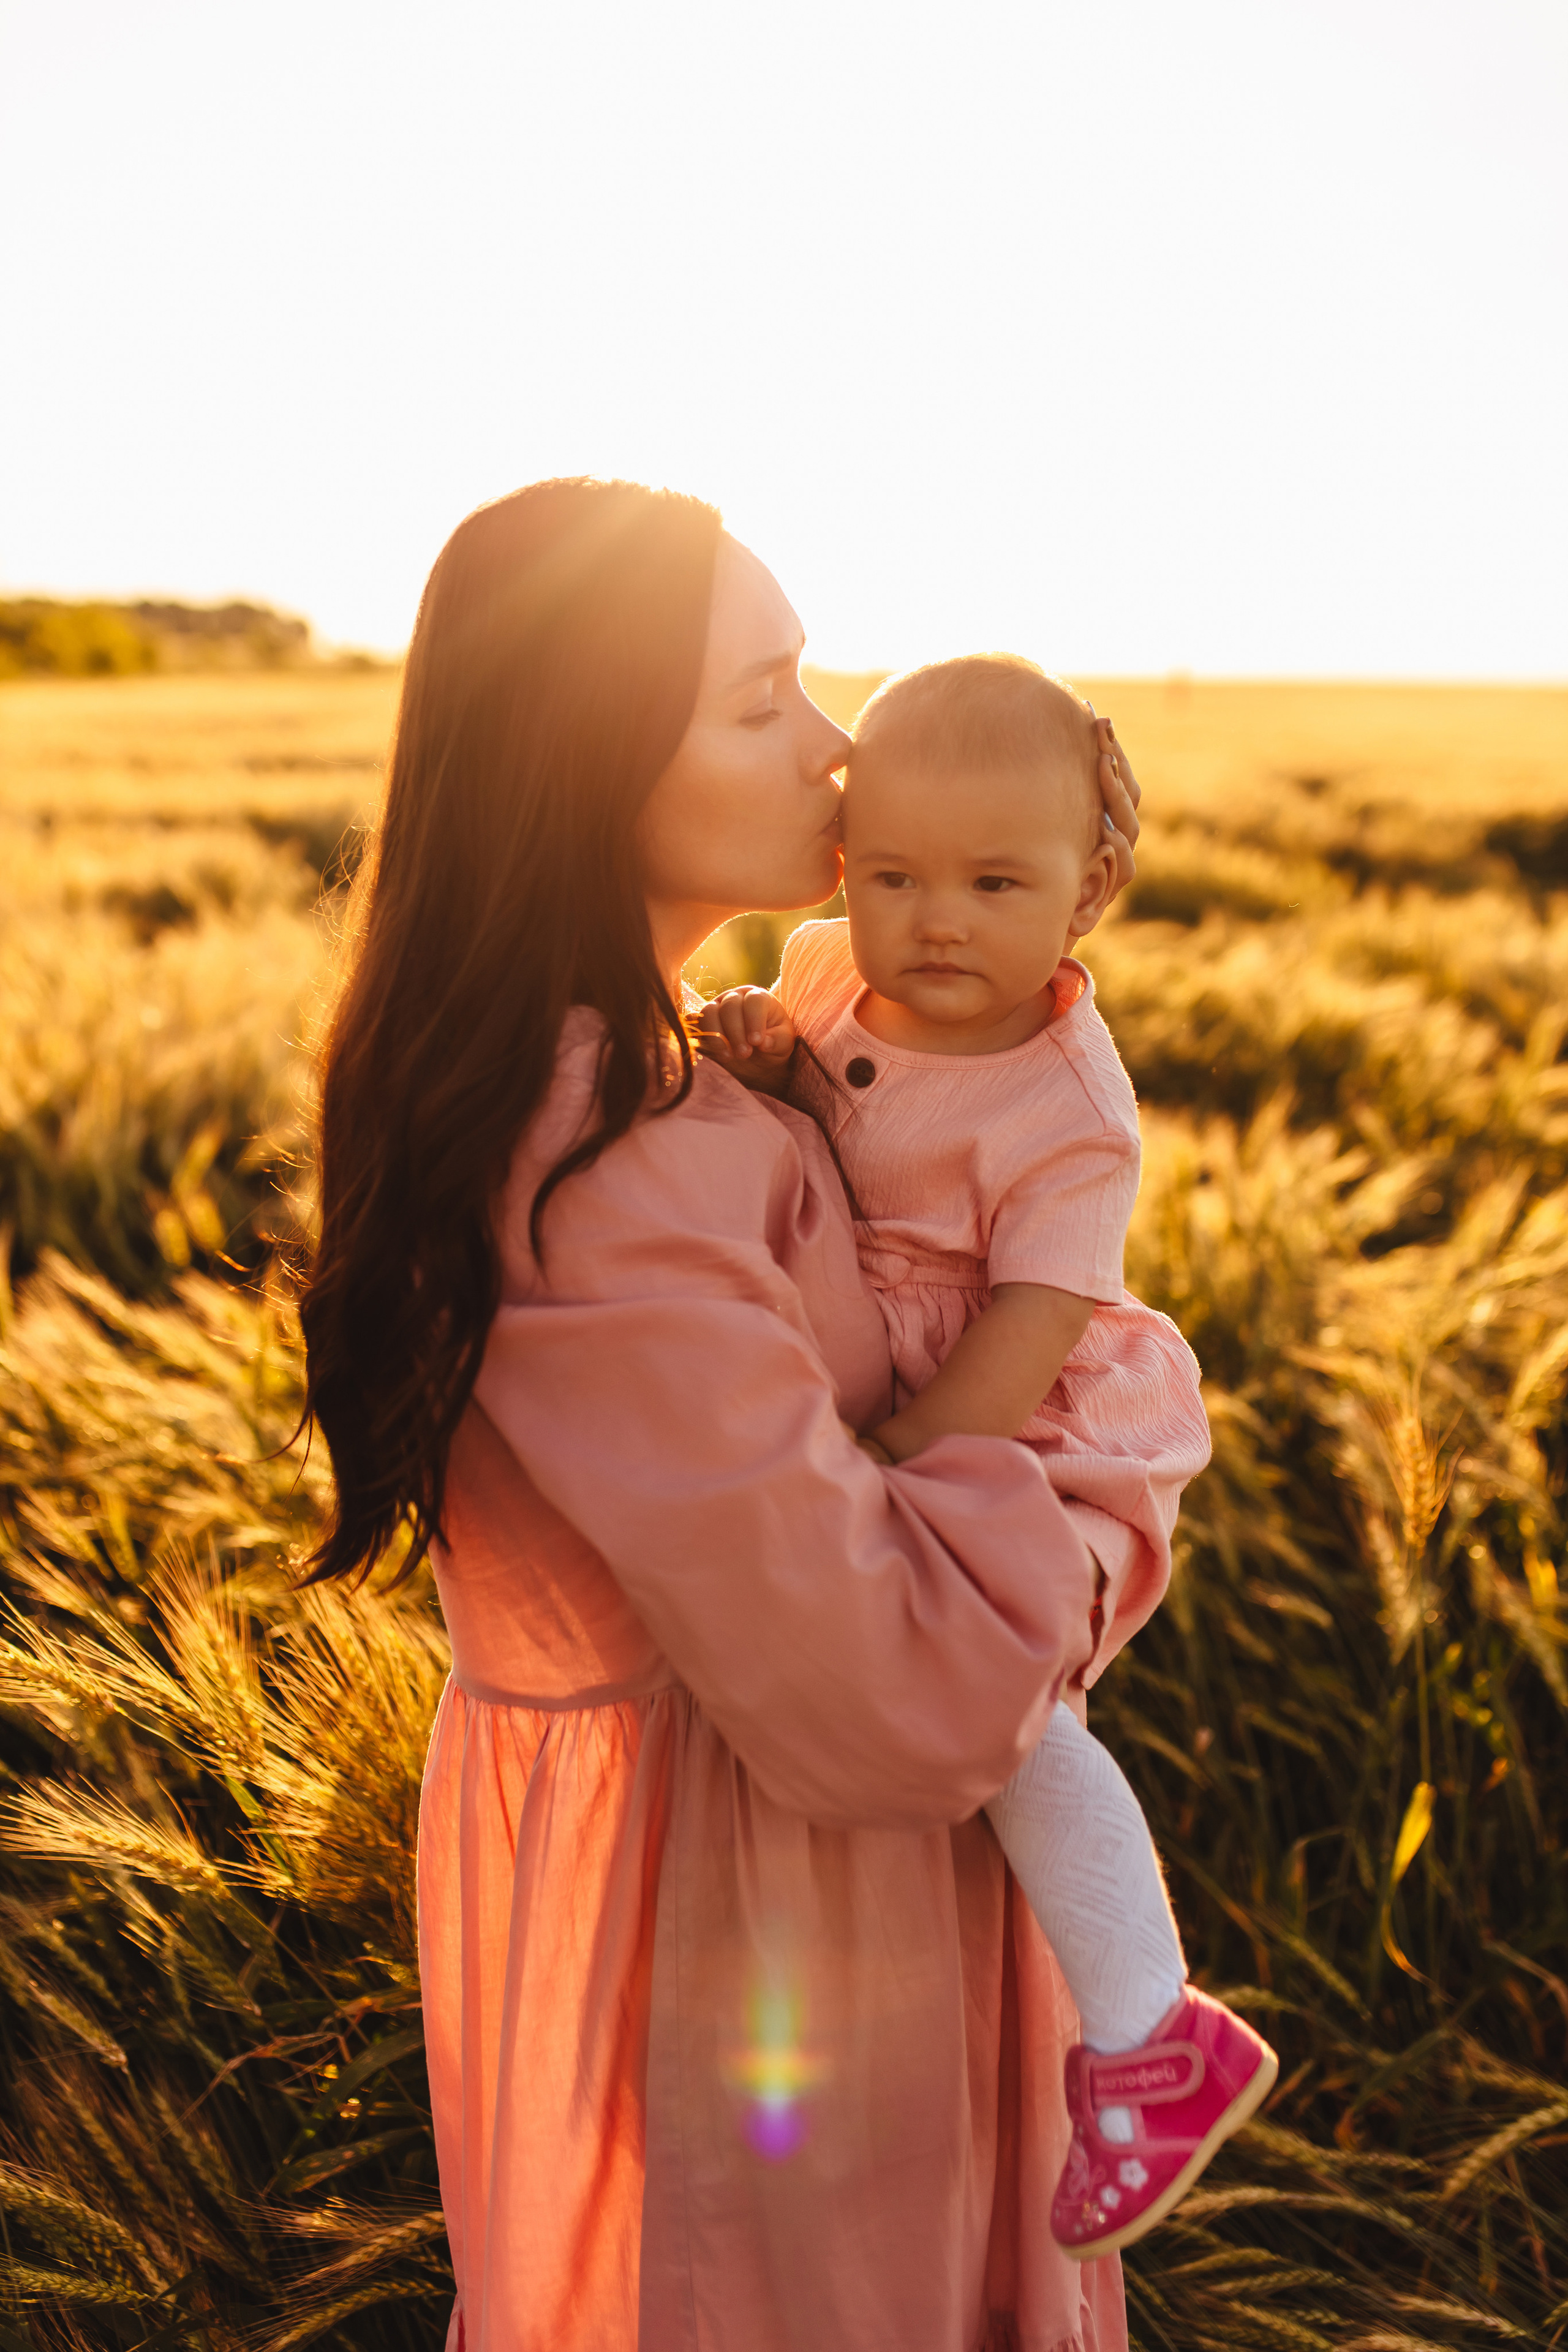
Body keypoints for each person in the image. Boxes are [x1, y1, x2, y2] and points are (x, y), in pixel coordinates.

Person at [300, 477, 1156, 2352]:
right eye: (766, 700)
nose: (844, 751)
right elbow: (886, 1684)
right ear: (586, 758)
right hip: (756, 1935)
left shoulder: (684, 1069)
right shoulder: (589, 1151)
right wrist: (1106, 1491)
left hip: (802, 1897)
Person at [696, 653, 1277, 2259]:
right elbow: (780, 1077)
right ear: (841, 865)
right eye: (894, 875)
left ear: (1088, 890)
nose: (935, 920)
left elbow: (1032, 1327)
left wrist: (900, 1461)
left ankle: (1152, 2027)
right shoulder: (824, 971)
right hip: (896, 1394)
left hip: (1010, 1415)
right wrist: (740, 1036)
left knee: (1011, 1703)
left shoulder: (1072, 1105)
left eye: (992, 881)